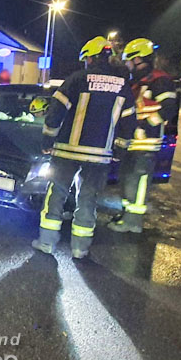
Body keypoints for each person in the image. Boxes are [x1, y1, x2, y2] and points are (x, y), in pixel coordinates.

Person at [33, 36, 137, 258]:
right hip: (100, 156)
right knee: (88, 198)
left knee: (56, 195)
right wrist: (120, 149)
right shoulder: (122, 86)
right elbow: (129, 122)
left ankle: (47, 242)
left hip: (66, 151)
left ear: (90, 58)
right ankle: (80, 248)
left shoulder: (77, 79)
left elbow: (55, 113)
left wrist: (47, 141)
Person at [108, 38, 178, 233]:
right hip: (132, 142)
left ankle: (134, 222)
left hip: (146, 142)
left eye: (129, 61)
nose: (128, 65)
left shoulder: (160, 80)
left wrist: (145, 126)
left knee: (138, 181)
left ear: (138, 59)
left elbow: (169, 108)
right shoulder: (138, 82)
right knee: (125, 179)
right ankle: (126, 215)